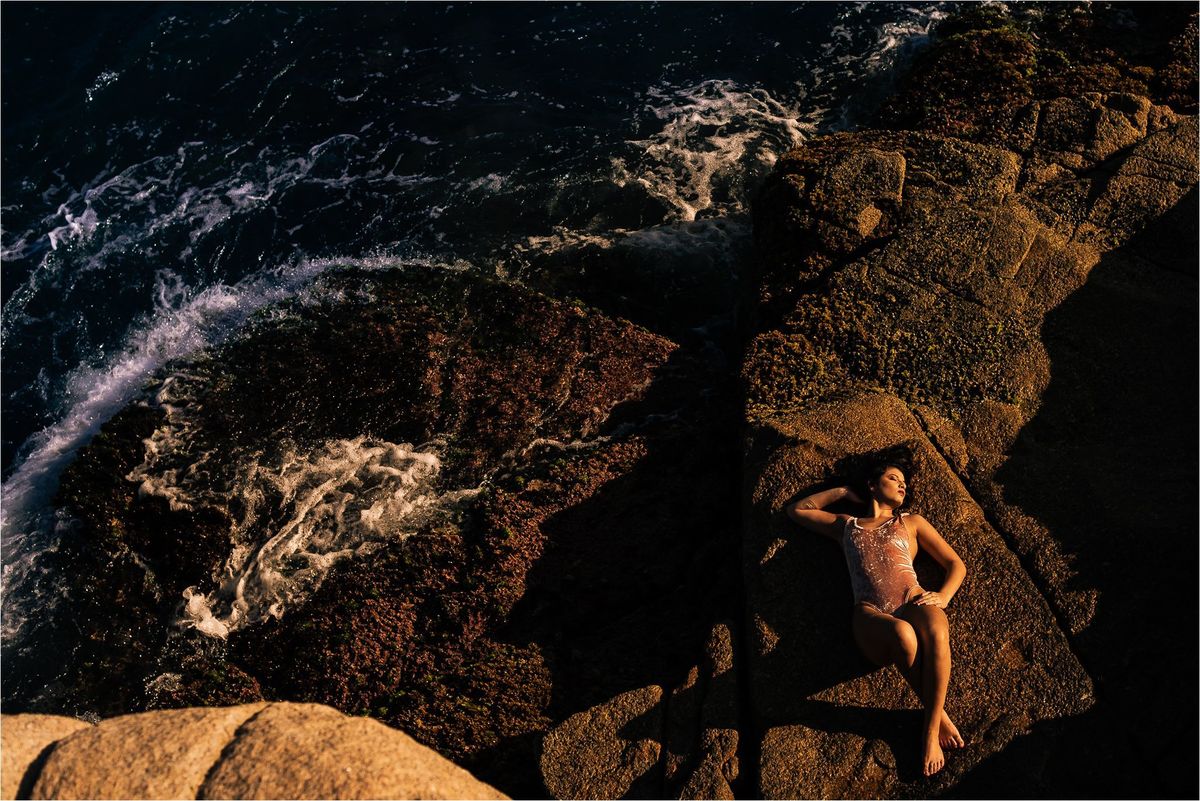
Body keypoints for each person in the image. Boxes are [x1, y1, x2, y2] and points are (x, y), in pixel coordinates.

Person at [786, 450, 967, 778]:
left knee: (938, 632)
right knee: (902, 635)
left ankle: (929, 732)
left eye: (904, 483)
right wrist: (842, 492)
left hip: (913, 600)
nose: (902, 486)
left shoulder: (911, 522)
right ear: (872, 485)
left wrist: (943, 595)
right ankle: (937, 715)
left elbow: (955, 564)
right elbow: (797, 510)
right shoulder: (846, 526)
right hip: (870, 615)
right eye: (893, 478)